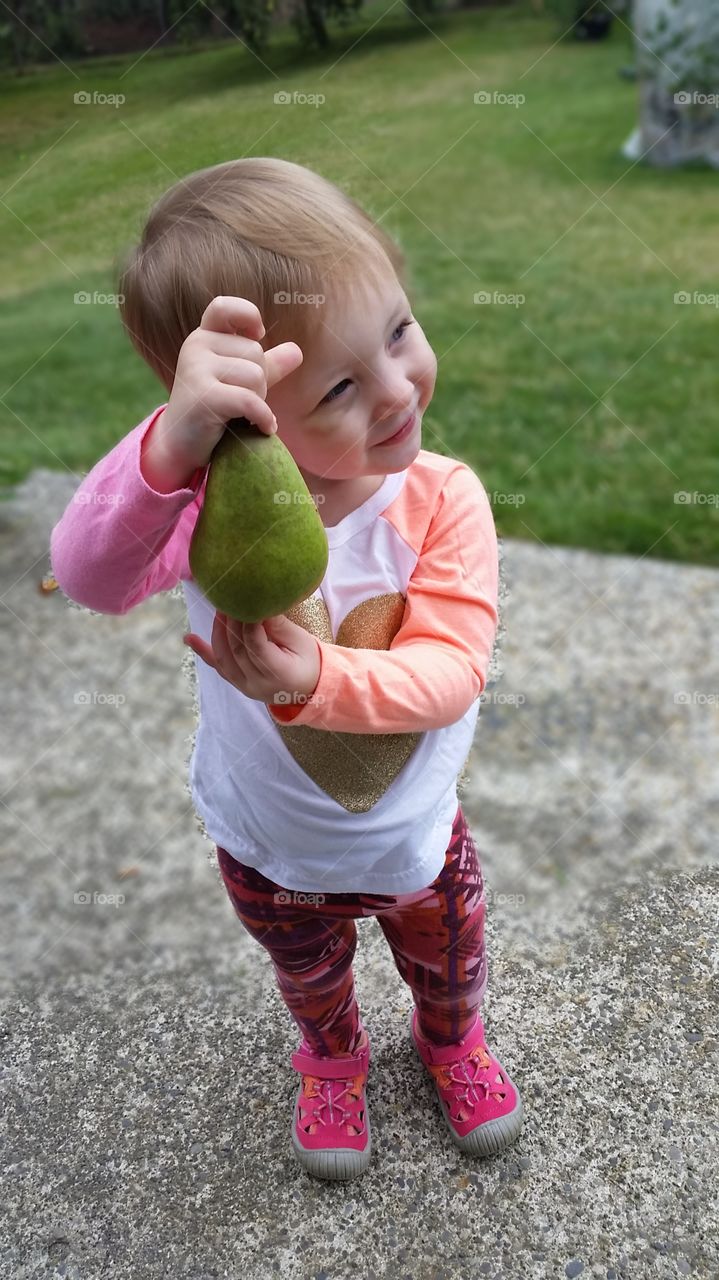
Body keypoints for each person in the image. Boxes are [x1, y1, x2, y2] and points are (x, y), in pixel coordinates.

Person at [50, 156, 523, 1183]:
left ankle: (447, 1043)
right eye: (342, 385)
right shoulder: (203, 509)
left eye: (397, 330)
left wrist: (308, 679)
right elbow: (86, 574)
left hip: (415, 836)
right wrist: (163, 450)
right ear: (239, 409)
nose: (397, 388)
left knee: (447, 961)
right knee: (305, 973)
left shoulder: (440, 501)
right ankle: (330, 1055)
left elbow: (447, 671)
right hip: (267, 843)